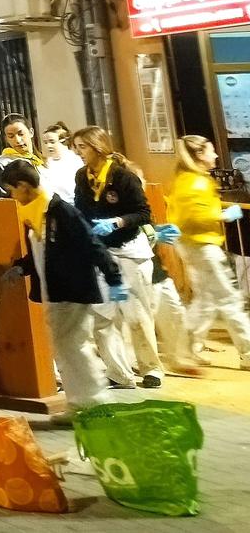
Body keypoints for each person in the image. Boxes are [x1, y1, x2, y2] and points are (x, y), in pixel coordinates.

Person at [0, 164, 126, 410]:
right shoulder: (37, 214)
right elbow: (39, 252)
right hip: (53, 291)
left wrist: (114, 277)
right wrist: (22, 267)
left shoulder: (61, 212)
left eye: (12, 190)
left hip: (71, 290)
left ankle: (95, 402)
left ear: (23, 186)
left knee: (74, 347)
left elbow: (92, 244)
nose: (11, 196)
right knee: (65, 349)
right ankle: (78, 404)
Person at [70, 125, 163, 388]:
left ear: (98, 147)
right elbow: (80, 208)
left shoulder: (124, 177)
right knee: (102, 317)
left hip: (131, 252)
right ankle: (119, 372)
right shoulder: (82, 176)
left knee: (137, 315)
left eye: (83, 147)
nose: (78, 153)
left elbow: (144, 214)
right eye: (76, 148)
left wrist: (117, 222)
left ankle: (151, 369)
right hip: (102, 254)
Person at [167, 133, 250, 365]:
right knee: (230, 299)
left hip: (194, 246)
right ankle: (248, 352)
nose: (215, 155)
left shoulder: (185, 179)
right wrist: (224, 214)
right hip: (203, 246)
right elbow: (196, 217)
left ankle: (184, 353)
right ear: (199, 155)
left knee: (205, 302)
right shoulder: (196, 182)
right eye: (211, 151)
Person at [0, 113, 40, 191]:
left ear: (31, 132)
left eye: (21, 134)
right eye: (11, 136)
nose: (17, 140)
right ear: (6, 139)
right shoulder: (2, 164)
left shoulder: (40, 160)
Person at [41, 126, 83, 199]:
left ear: (63, 140)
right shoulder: (46, 163)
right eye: (45, 142)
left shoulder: (76, 160)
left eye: (52, 142)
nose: (48, 146)